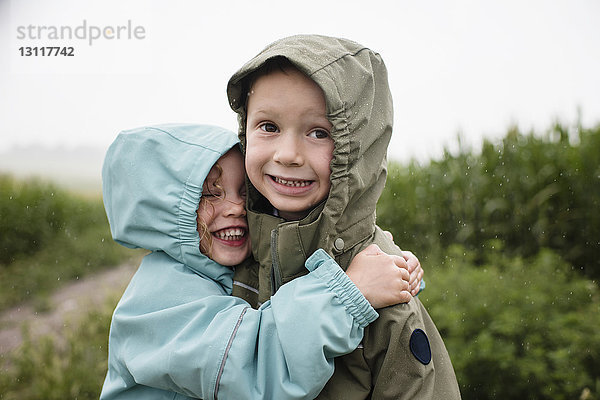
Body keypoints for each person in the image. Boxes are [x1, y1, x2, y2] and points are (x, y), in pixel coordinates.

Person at [99, 123, 421, 400]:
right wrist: (349, 292)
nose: (236, 207)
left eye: (244, 192)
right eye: (212, 193)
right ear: (164, 211)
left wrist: (387, 264)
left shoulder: (225, 269)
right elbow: (254, 367)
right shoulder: (157, 302)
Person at [227, 35, 462, 399]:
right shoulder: (229, 253)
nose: (288, 154)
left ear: (359, 150)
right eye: (269, 127)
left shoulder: (385, 291)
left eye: (319, 132)